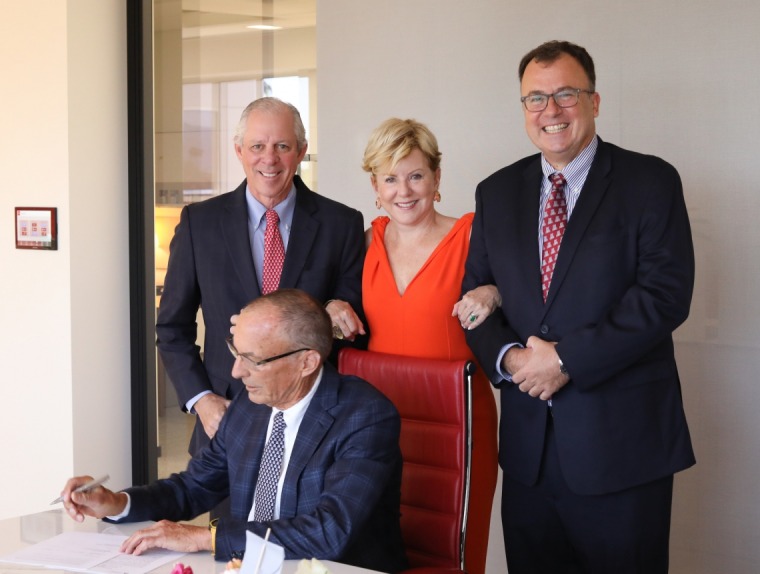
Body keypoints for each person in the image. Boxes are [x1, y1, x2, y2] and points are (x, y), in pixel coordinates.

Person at [462, 40, 696, 573]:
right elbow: (475, 299)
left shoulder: (650, 181)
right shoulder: (495, 192)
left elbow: (664, 296)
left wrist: (564, 360)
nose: (551, 110)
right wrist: (514, 361)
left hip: (622, 449)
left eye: (566, 94)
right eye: (535, 98)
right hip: (529, 455)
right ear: (523, 108)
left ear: (594, 101)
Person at [60, 289, 406, 573]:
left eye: (253, 360)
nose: (237, 372)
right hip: (247, 566)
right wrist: (118, 503)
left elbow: (330, 531)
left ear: (307, 362)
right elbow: (193, 487)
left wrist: (206, 538)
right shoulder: (250, 403)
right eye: (234, 352)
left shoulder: (364, 415)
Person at [332, 118, 499, 574]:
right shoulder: (365, 242)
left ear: (437, 179)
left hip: (458, 419)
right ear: (375, 185)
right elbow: (334, 303)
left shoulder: (472, 235)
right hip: (378, 421)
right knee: (381, 545)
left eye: (416, 175)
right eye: (390, 178)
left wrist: (492, 292)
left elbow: (518, 292)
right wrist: (331, 305)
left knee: (452, 551)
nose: (403, 190)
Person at [157, 97, 366, 458]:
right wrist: (203, 401)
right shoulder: (199, 224)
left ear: (300, 151)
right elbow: (172, 328)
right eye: (257, 146)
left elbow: (355, 318)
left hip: (315, 426)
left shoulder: (341, 224)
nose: (269, 159)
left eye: (282, 146)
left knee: (311, 518)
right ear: (239, 150)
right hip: (224, 421)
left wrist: (334, 309)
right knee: (226, 518)